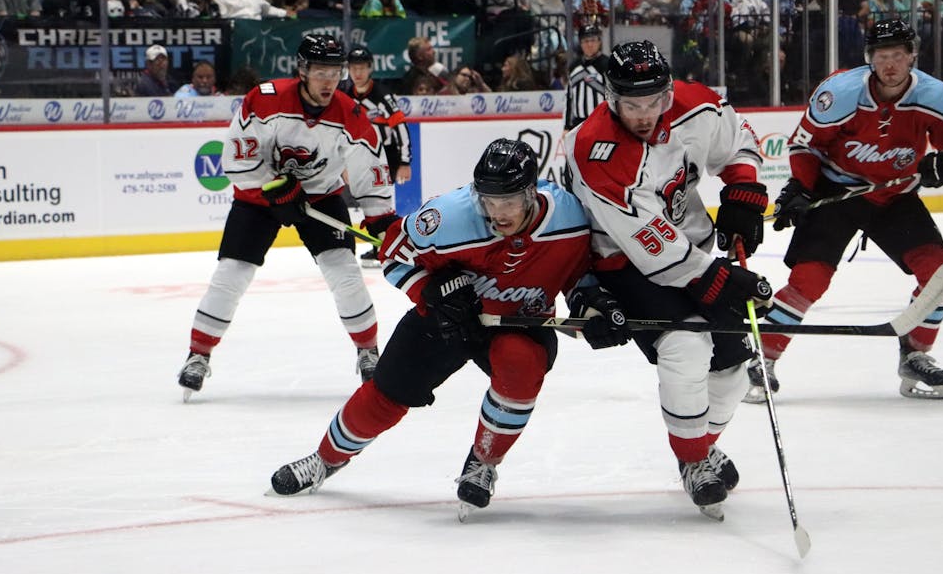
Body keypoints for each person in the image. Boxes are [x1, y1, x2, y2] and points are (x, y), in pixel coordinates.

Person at [268, 139, 630, 517]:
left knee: (521, 366)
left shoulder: (569, 217)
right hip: (447, 318)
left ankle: (483, 463)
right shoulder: (447, 217)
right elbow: (393, 256)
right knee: (386, 395)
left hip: (517, 320)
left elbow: (576, 273)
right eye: (489, 201)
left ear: (531, 193)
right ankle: (324, 459)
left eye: (508, 202)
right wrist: (431, 290)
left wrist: (591, 305)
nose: (498, 213)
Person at [563, 40, 772, 518]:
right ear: (611, 97)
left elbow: (736, 136)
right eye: (631, 105)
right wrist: (721, 280)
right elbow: (651, 247)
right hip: (624, 263)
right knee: (686, 346)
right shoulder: (594, 150)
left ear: (668, 90)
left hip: (693, 247)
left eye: (653, 102)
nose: (644, 114)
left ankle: (696, 445)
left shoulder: (694, 103)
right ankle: (695, 460)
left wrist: (742, 190)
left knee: (733, 374)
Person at [746, 18, 943, 402]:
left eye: (898, 55)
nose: (890, 65)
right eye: (882, 56)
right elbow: (805, 145)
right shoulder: (840, 92)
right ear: (869, 58)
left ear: (912, 56)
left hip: (896, 196)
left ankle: (915, 353)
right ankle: (762, 357)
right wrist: (800, 186)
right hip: (839, 192)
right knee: (809, 279)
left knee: (940, 274)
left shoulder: (934, 96)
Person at [177, 34, 398, 401]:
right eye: (321, 72)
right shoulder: (265, 99)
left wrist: (379, 221)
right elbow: (236, 159)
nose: (329, 81)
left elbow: (370, 172)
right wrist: (275, 187)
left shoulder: (352, 114)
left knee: (344, 271)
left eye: (335, 72)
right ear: (303, 70)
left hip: (319, 198)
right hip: (258, 199)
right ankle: (197, 355)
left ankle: (368, 352)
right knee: (232, 273)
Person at [339, 44, 411, 266]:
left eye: (362, 68)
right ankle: (376, 244)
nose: (357, 73)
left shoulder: (382, 95)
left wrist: (405, 161)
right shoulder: (344, 96)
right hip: (356, 157)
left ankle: (387, 246)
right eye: (353, 68)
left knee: (381, 204)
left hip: (385, 156)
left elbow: (400, 127)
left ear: (370, 68)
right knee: (359, 203)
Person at [563, 22, 607, 132]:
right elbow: (569, 98)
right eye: (586, 41)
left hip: (602, 123)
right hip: (578, 125)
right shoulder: (574, 66)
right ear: (580, 43)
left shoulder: (607, 65)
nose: (590, 44)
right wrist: (566, 126)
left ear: (599, 41)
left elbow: (614, 98)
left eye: (593, 40)